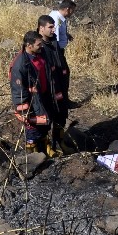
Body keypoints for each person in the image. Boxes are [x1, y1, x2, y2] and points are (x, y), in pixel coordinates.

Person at [9, 31, 55, 154]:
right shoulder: (20, 65)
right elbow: (18, 90)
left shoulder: (40, 54)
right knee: (33, 128)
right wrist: (23, 109)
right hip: (32, 101)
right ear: (29, 45)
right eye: (39, 44)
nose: (42, 46)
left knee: (45, 124)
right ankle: (32, 155)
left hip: (43, 96)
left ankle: (45, 149)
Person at [37, 15, 67, 156]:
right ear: (41, 28)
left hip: (60, 86)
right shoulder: (37, 45)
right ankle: (46, 148)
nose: (53, 29)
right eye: (50, 27)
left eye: (53, 26)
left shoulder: (53, 41)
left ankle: (59, 143)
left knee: (61, 115)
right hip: (47, 90)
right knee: (46, 119)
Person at [50, 0, 77, 107]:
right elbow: (53, 38)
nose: (72, 13)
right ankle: (64, 101)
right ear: (67, 9)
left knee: (61, 76)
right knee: (63, 75)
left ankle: (62, 100)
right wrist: (57, 57)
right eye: (72, 10)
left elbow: (59, 32)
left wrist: (66, 35)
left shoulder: (58, 16)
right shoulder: (56, 19)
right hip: (56, 52)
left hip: (58, 51)